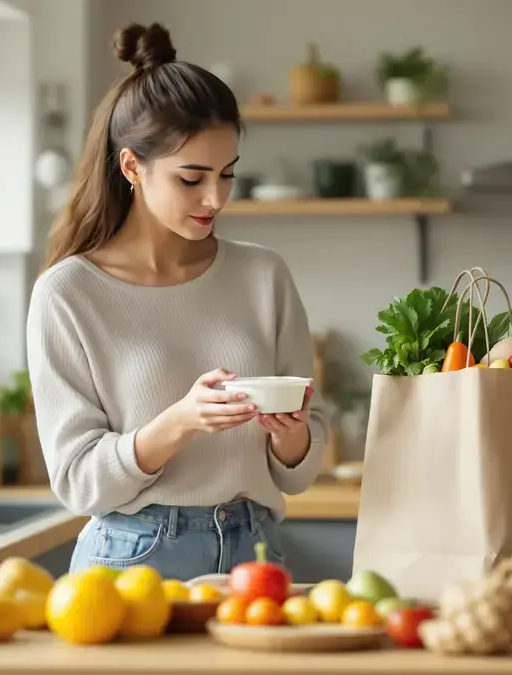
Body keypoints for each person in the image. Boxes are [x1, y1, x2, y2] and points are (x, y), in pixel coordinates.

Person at [26, 21, 327, 581]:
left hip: (255, 553)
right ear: (132, 167)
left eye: (227, 174)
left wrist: (292, 434)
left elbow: (301, 469)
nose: (215, 197)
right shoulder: (69, 293)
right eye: (192, 178)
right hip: (131, 561)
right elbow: (76, 480)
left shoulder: (263, 275)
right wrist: (180, 422)